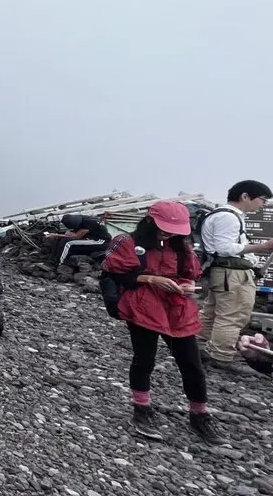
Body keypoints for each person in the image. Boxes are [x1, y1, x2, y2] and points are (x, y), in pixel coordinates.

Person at [102, 200, 225, 444]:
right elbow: (114, 273)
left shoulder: (183, 248)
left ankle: (200, 414)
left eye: (173, 229)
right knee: (144, 359)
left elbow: (190, 274)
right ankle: (142, 409)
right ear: (149, 221)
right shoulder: (129, 243)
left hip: (177, 308)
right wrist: (150, 279)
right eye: (163, 227)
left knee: (192, 363)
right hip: (142, 307)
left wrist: (189, 286)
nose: (168, 233)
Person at [198, 180, 273, 372]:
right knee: (232, 315)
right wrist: (262, 247)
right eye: (262, 200)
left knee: (213, 312)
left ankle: (201, 346)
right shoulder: (229, 218)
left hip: (223, 273)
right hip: (232, 274)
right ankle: (222, 356)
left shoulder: (220, 215)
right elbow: (224, 249)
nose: (262, 205)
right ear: (245, 196)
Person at [44, 213, 111, 267]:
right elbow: (75, 233)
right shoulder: (80, 219)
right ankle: (52, 259)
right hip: (89, 237)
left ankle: (59, 263)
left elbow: (76, 236)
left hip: (101, 241)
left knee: (67, 242)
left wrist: (56, 235)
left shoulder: (89, 222)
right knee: (60, 239)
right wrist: (59, 236)